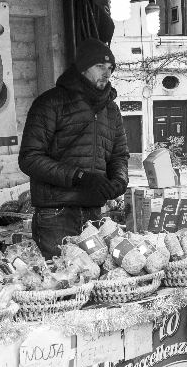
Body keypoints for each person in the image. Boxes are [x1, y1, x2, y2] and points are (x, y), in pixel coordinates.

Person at [18, 38, 129, 258]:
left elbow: (119, 155)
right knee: (61, 282)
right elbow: (30, 158)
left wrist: (119, 182)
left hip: (94, 213)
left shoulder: (111, 110)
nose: (107, 73)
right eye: (100, 67)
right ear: (82, 68)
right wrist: (79, 176)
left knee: (95, 283)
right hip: (56, 214)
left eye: (110, 68)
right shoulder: (50, 103)